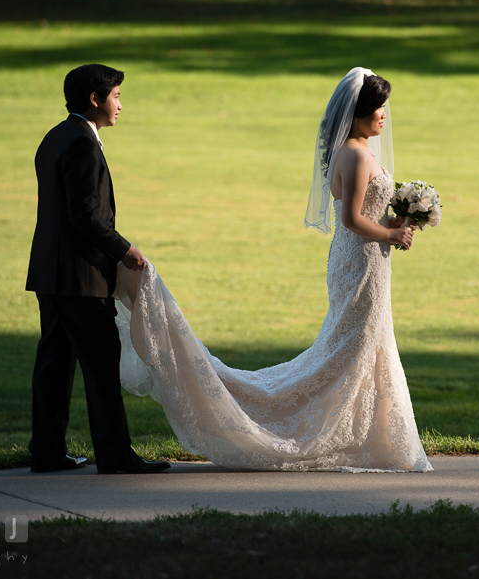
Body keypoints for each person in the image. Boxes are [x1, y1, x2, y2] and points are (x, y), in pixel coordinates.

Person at [114, 67, 432, 472]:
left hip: (365, 259)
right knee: (353, 345)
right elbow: (352, 219)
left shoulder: (359, 151)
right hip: (360, 262)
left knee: (362, 343)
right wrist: (390, 236)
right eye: (378, 107)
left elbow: (366, 214)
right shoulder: (353, 155)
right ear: (357, 112)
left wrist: (400, 221)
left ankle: (375, 434)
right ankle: (297, 424)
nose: (384, 115)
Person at [25, 64, 170, 474]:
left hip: (51, 274)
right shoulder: (83, 145)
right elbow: (85, 216)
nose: (121, 103)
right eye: (117, 96)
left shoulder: (56, 136)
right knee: (102, 363)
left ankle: (48, 453)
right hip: (81, 275)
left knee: (54, 363)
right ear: (96, 99)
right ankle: (115, 454)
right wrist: (124, 250)